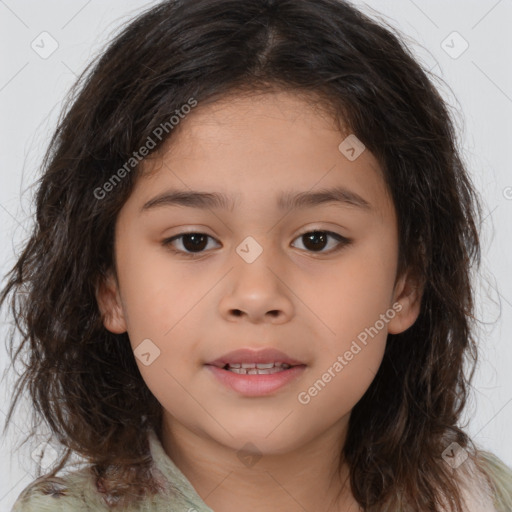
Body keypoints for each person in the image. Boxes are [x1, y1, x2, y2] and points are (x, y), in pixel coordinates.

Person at [2, 0, 511, 510]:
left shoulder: (482, 499)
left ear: (406, 284)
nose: (256, 295)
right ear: (109, 287)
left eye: (317, 239)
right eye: (193, 241)